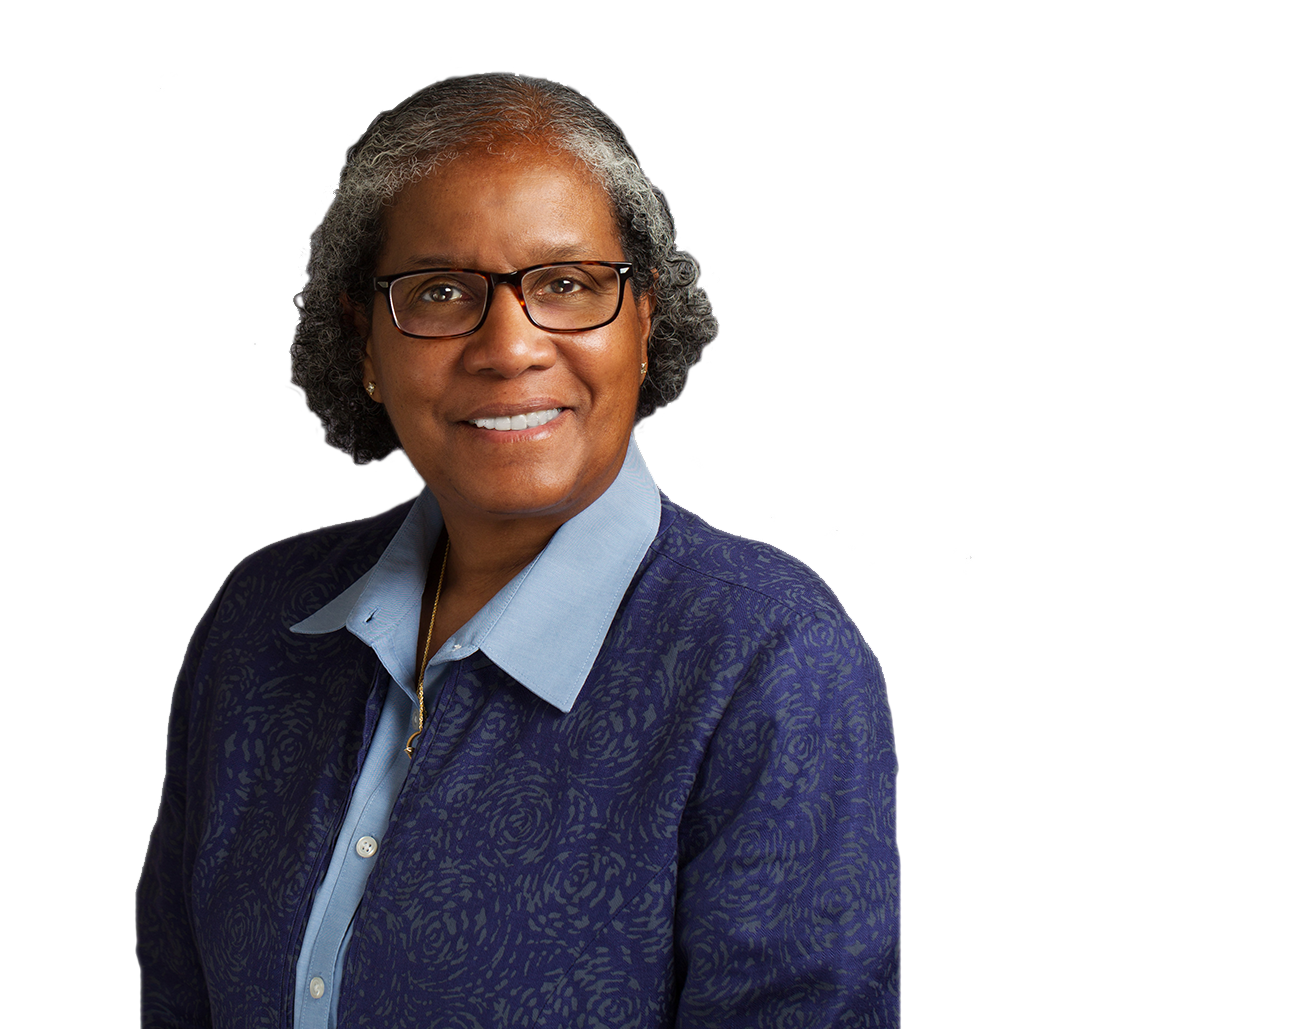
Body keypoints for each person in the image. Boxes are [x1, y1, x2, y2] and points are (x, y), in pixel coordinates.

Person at [136, 69, 900, 1028]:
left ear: (646, 317)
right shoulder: (261, 621)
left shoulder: (768, 659)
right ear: (364, 340)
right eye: (441, 290)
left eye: (567, 284)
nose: (508, 346)